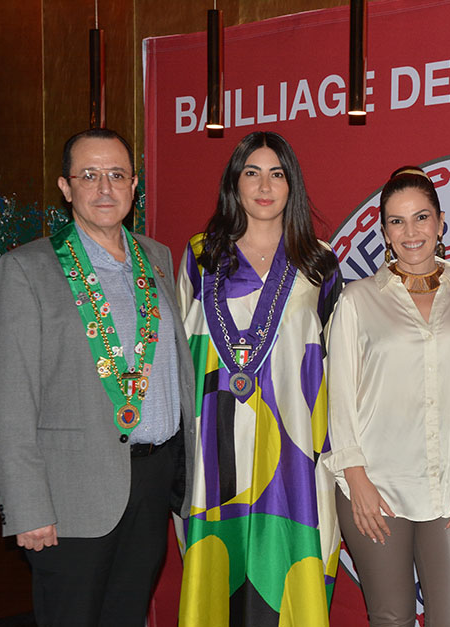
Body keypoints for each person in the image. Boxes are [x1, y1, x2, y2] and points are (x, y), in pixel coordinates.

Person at [0, 128, 196, 626]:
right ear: (65, 186)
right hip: (70, 494)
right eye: (90, 175)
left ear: (134, 184)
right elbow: (12, 402)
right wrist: (27, 505)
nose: (105, 188)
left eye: (117, 175)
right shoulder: (26, 270)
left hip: (151, 483)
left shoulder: (158, 258)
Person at [176, 131, 341, 626]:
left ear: (293, 185)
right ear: (234, 182)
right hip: (213, 459)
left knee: (290, 583)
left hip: (296, 455)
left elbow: (341, 361)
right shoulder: (199, 257)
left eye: (277, 173)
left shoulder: (319, 263)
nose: (265, 185)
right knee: (217, 585)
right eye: (252, 172)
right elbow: (180, 356)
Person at [326, 166, 450, 627]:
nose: (411, 232)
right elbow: (339, 396)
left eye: (421, 218)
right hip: (376, 487)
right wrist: (357, 481)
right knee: (391, 619)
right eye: (397, 221)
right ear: (384, 231)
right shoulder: (358, 300)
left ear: (441, 223)